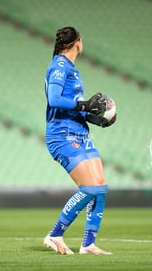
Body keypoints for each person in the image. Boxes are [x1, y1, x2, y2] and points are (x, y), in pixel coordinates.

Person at [43, 26, 115, 255]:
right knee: (90, 187)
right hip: (62, 135)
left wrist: (95, 116)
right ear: (77, 43)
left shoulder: (71, 69)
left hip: (80, 133)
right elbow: (54, 99)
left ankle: (88, 244)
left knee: (100, 187)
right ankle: (54, 235)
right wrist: (84, 105)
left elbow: (73, 105)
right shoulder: (60, 65)